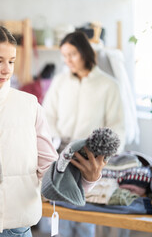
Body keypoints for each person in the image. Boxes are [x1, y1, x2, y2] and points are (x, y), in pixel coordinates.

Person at [0, 22, 104, 237]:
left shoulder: (29, 106)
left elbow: (49, 176)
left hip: (21, 231)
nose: (6, 69)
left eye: (11, 61)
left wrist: (88, 180)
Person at [42, 31, 126, 237]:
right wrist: (53, 142)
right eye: (64, 55)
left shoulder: (109, 85)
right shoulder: (60, 82)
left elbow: (117, 127)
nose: (67, 60)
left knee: (83, 215)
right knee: (57, 213)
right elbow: (47, 116)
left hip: (89, 159)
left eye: (72, 54)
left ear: (85, 52)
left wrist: (102, 156)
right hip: (59, 154)